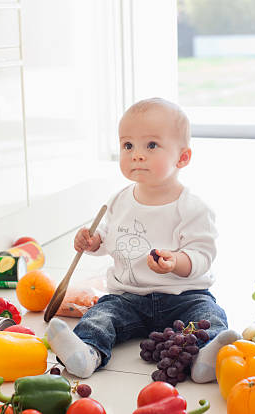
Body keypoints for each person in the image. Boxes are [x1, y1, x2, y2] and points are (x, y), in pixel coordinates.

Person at [46, 97, 240, 383]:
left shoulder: (192, 208)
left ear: (182, 157)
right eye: (128, 145)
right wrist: (94, 242)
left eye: (151, 145)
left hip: (183, 297)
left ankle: (204, 357)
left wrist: (176, 262)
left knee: (208, 315)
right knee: (101, 316)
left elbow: (202, 255)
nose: (137, 154)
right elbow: (111, 240)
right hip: (128, 297)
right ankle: (87, 352)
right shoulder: (119, 201)